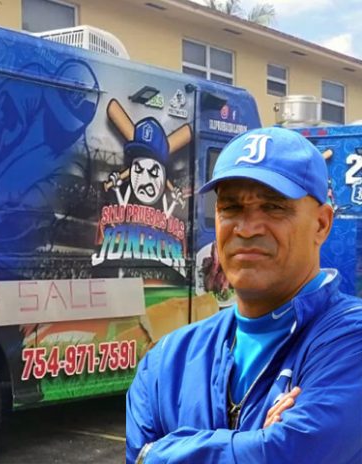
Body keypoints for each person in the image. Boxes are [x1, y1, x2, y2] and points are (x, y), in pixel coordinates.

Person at [125, 126, 362, 464]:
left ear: (322, 224)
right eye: (231, 207)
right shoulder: (166, 361)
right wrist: (257, 444)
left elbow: (287, 455)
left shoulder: (351, 340)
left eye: (273, 207)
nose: (247, 229)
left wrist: (158, 454)